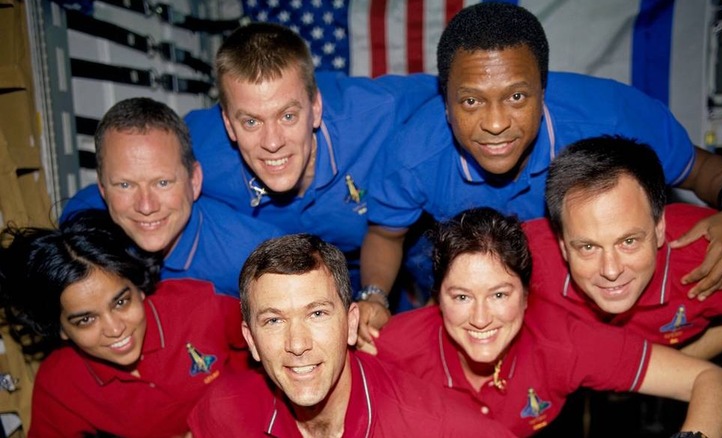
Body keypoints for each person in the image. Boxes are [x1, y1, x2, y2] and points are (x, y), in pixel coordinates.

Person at [358, 2, 722, 346]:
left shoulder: (614, 116)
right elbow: (384, 234)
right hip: (485, 291)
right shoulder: (413, 154)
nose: (496, 123)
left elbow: (701, 168)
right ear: (446, 104)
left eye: (517, 96)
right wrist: (375, 296)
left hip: (588, 291)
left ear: (543, 90)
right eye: (471, 101)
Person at [368, 207, 722, 437]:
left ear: (527, 295)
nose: (481, 319)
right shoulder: (389, 348)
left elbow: (718, 382)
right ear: (438, 300)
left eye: (500, 294)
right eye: (461, 297)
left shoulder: (563, 341)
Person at [183, 22, 439, 293]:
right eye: (251, 122)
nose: (272, 142)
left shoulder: (380, 109)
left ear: (316, 108)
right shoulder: (195, 147)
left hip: (396, 249)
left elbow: (460, 89)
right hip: (296, 278)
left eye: (288, 116)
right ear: (228, 123)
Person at [187, 234, 514, 437]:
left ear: (351, 323)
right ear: (251, 340)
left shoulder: (430, 423)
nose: (298, 344)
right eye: (273, 321)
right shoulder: (224, 410)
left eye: (317, 314)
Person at [524, 135, 722, 359]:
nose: (611, 271)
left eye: (629, 241)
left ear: (659, 230)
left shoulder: (716, 255)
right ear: (563, 245)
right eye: (588, 247)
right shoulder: (521, 256)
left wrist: (667, 369)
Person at [0, 210, 250, 437]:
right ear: (61, 328)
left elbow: (275, 346)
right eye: (86, 320)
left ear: (138, 288)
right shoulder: (59, 386)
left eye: (120, 302)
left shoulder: (198, 305)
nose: (115, 328)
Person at [61, 97, 283, 297]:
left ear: (194, 181)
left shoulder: (254, 257)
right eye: (125, 185)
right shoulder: (80, 222)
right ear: (103, 190)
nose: (146, 206)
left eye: (163, 183)